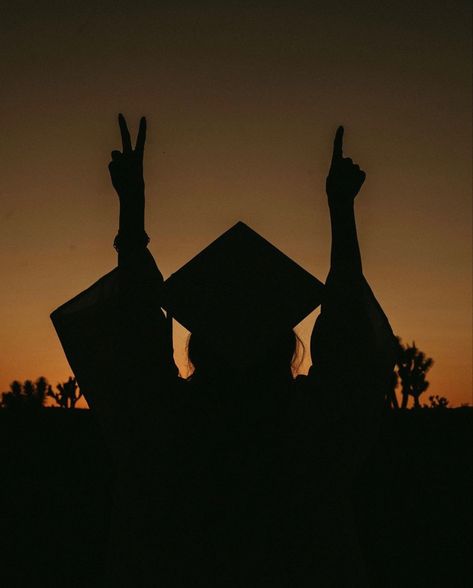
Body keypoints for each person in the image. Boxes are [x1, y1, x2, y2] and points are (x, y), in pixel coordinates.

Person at [51, 116, 395, 587]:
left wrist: (132, 211)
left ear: (200, 346)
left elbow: (134, 338)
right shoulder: (308, 434)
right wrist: (341, 210)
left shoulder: (172, 430)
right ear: (283, 345)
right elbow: (350, 342)